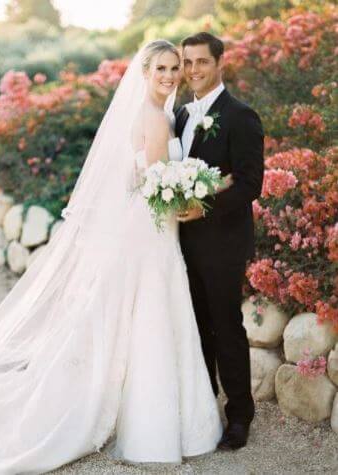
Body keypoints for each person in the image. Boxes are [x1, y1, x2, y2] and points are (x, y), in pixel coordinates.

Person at [0, 40, 225, 474]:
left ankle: (146, 416)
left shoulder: (158, 113)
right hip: (151, 234)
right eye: (161, 68)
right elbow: (156, 185)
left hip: (148, 231)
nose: (169, 75)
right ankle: (153, 428)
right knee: (152, 320)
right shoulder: (155, 117)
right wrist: (190, 194)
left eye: (174, 68)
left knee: (144, 320)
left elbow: (142, 181)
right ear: (145, 71)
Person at [175, 32, 264, 450]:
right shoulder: (180, 115)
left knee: (226, 326)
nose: (193, 71)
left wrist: (205, 205)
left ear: (219, 64)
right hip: (181, 242)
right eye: (187, 62)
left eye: (201, 62)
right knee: (194, 328)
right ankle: (202, 408)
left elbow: (250, 183)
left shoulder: (240, 116)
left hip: (223, 243)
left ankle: (240, 417)